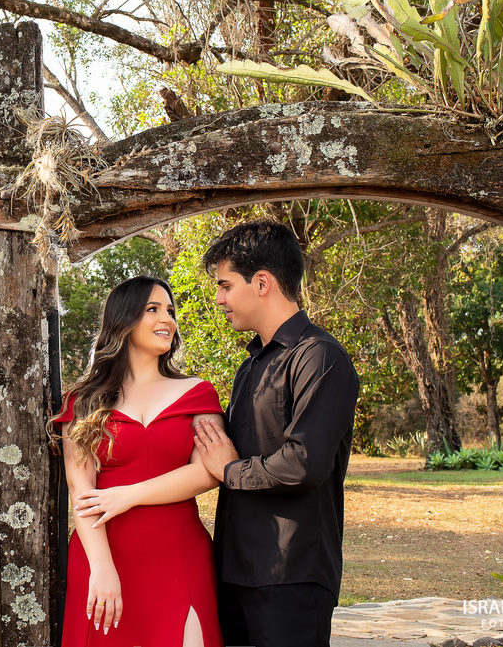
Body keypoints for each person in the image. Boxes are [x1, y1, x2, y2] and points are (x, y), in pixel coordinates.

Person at [192, 219, 360, 647]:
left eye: (226, 286)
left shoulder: (320, 357)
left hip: (291, 573)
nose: (219, 299)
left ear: (262, 282)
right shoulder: (251, 365)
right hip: (235, 571)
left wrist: (230, 471)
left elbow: (304, 463)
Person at [50, 275, 227, 647]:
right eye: (153, 309)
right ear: (124, 320)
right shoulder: (83, 400)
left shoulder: (197, 393)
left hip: (179, 554)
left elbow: (207, 471)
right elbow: (81, 489)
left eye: (170, 310)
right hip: (104, 555)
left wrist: (127, 495)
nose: (167, 319)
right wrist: (102, 569)